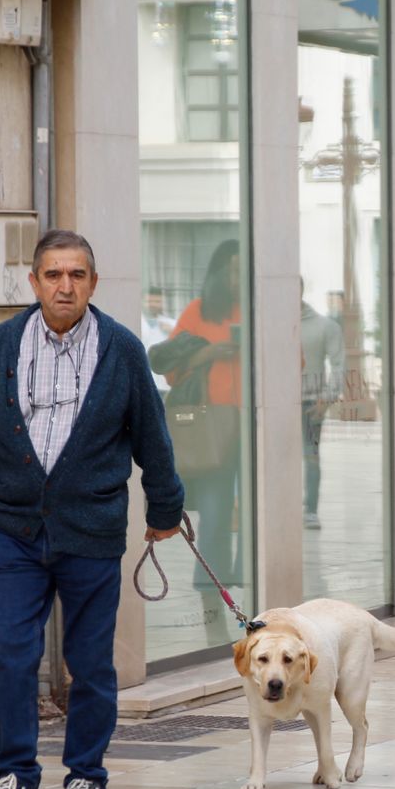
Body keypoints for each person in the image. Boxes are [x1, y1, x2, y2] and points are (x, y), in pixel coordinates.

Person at [0, 229, 184, 789]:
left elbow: (152, 435)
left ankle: (87, 776)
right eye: (53, 275)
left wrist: (166, 509)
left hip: (90, 528)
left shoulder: (120, 349)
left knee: (90, 661)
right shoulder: (3, 346)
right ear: (33, 281)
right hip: (12, 527)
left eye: (77, 275)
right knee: (10, 651)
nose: (65, 286)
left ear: (93, 282)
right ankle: (14, 775)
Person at [152, 239, 244, 609]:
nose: (239, 278)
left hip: (256, 426)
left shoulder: (257, 307)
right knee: (218, 511)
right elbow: (170, 369)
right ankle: (212, 590)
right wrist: (211, 353)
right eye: (233, 270)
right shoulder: (198, 312)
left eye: (244, 270)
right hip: (214, 426)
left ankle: (247, 580)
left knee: (257, 515)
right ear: (219, 274)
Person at [301, 282, 344, 530]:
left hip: (311, 403)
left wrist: (326, 398)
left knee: (311, 455)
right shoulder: (265, 323)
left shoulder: (324, 326)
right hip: (274, 404)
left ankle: (311, 510)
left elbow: (338, 365)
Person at [139, 287, 175, 394]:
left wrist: (172, 332)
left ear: (163, 303)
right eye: (150, 301)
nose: (153, 304)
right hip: (143, 382)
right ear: (143, 302)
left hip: (164, 384)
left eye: (157, 301)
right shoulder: (138, 322)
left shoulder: (172, 325)